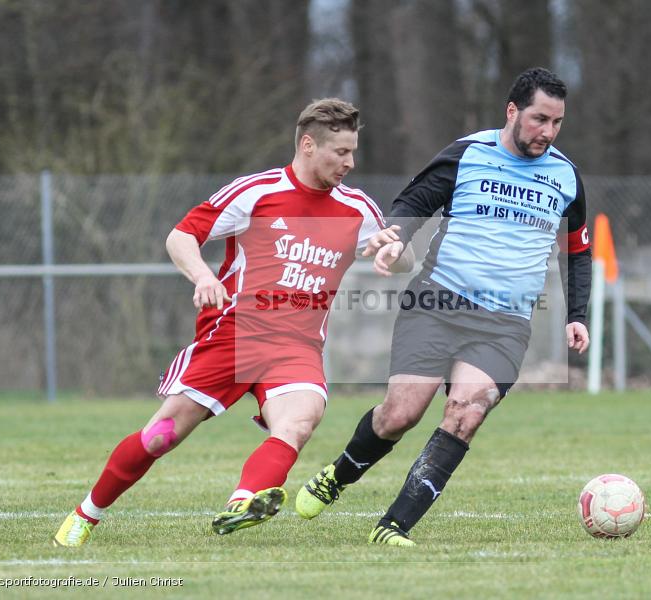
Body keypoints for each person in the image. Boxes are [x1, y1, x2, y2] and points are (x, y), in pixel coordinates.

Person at [53, 98, 414, 547]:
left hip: (297, 346)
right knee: (161, 437)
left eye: (353, 151)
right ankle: (85, 515)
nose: (350, 162)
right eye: (340, 152)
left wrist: (392, 249)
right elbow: (181, 236)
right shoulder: (256, 192)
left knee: (301, 420)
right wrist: (203, 275)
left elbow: (403, 262)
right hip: (235, 335)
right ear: (307, 144)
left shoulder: (357, 208)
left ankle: (242, 503)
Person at [295, 68, 592, 546]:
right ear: (512, 111)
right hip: (437, 302)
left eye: (557, 123)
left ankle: (393, 526)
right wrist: (394, 237)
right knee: (400, 415)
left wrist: (577, 313)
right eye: (540, 119)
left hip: (506, 324)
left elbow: (577, 250)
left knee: (465, 413)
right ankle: (338, 474)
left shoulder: (565, 176)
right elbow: (417, 201)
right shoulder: (469, 154)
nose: (548, 132)